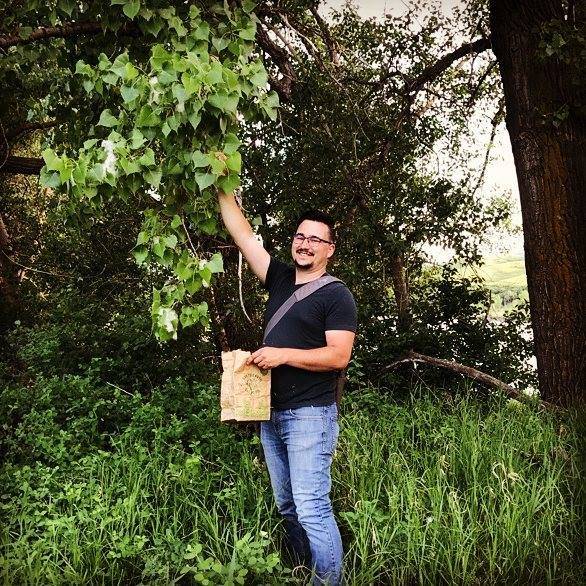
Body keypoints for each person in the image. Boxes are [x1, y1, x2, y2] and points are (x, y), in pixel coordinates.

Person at [218, 189, 357, 585]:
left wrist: (281, 355)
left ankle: (329, 582)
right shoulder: (279, 277)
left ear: (329, 249)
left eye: (316, 239)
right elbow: (244, 237)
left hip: (310, 415)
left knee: (312, 506)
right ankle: (305, 570)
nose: (306, 243)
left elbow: (338, 356)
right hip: (270, 413)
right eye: (301, 236)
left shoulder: (336, 295)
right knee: (287, 505)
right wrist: (222, 189)